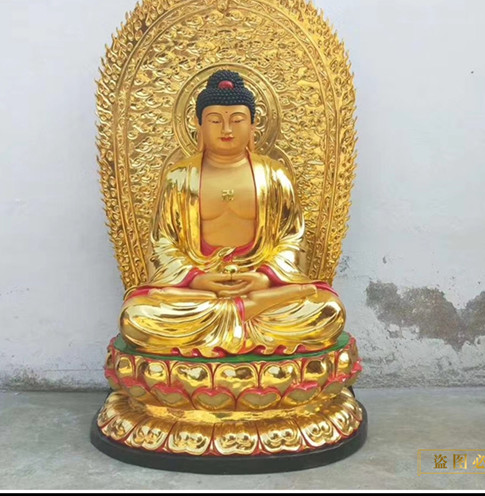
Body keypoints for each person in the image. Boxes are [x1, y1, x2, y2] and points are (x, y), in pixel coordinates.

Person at [119, 70, 345, 357]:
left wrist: (264, 278)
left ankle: (244, 313)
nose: (226, 129)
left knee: (328, 310)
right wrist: (196, 279)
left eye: (237, 120)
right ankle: (245, 315)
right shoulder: (180, 178)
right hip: (200, 293)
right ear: (198, 125)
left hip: (259, 288)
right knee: (136, 317)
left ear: (253, 126)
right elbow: (163, 243)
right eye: (215, 121)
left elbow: (293, 240)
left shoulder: (274, 176)